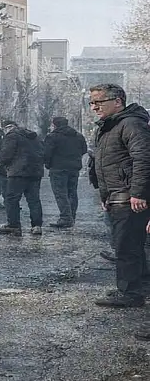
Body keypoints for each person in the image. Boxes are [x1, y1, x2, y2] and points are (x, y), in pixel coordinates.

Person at [89, 83, 150, 308]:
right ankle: (136, 286)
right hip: (118, 196)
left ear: (118, 101)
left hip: (130, 198)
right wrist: (106, 196)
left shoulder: (131, 124)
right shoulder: (108, 126)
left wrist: (138, 193)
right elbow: (105, 165)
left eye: (99, 102)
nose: (94, 107)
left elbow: (143, 159)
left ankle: (130, 293)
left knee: (126, 246)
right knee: (129, 245)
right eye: (92, 103)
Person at [0, 120, 45, 236]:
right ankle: (37, 226)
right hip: (35, 172)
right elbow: (43, 151)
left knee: (11, 199)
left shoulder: (12, 136)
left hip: (18, 172)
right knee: (34, 199)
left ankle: (13, 225)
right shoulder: (34, 136)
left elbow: (6, 153)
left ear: (7, 128)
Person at [43, 116, 88, 228]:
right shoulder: (78, 136)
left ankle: (65, 218)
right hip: (74, 168)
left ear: (54, 124)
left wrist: (48, 164)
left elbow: (47, 153)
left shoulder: (52, 137)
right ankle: (71, 216)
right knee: (72, 192)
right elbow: (84, 150)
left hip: (58, 168)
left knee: (60, 193)